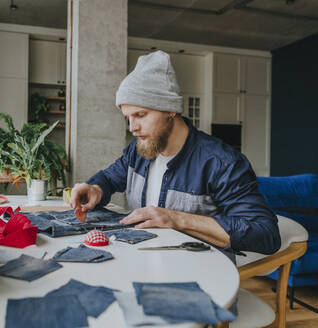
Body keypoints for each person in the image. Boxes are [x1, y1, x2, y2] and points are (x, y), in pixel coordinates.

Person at [70, 50, 280, 255]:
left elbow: (265, 234)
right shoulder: (138, 150)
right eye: (128, 118)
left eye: (140, 115)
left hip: (201, 276)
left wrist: (176, 219)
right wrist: (95, 189)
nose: (132, 127)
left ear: (171, 109)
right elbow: (108, 178)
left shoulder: (221, 162)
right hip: (144, 261)